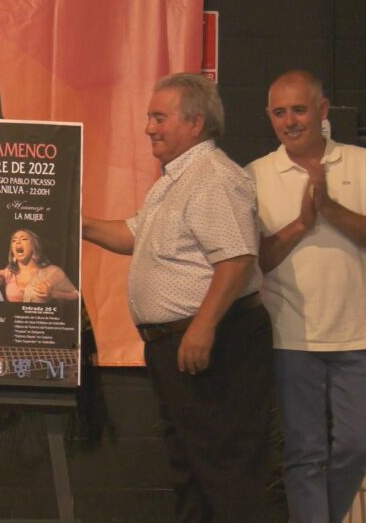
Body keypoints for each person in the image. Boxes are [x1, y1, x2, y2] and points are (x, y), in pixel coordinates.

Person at [82, 73, 273, 522]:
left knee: (227, 470)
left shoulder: (213, 177)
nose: (149, 127)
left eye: (159, 117)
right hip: (179, 346)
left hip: (214, 345)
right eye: (150, 117)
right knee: (192, 468)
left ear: (196, 123)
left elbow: (237, 259)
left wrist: (203, 327)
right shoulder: (176, 179)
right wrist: (76, 223)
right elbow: (134, 234)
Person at [247, 70, 366, 523]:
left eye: (299, 109)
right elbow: (258, 259)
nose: (290, 121)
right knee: (305, 453)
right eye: (279, 112)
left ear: (323, 111)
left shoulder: (362, 162)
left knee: (356, 446)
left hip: (362, 335)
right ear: (269, 118)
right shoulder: (255, 174)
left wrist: (328, 207)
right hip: (292, 337)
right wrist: (301, 223)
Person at [0, 228, 78, 303]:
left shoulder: (53, 272)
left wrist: (54, 293)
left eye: (24, 239)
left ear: (34, 246)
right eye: (14, 240)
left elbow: (76, 295)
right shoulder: (8, 274)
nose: (17, 242)